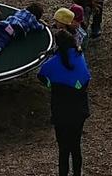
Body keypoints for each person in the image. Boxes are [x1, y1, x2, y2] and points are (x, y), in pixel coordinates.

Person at [38, 35, 91, 176]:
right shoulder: (80, 56)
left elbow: (41, 75)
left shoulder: (52, 63)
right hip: (79, 111)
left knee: (63, 149)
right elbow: (86, 80)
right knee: (76, 147)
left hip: (60, 111)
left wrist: (51, 85)